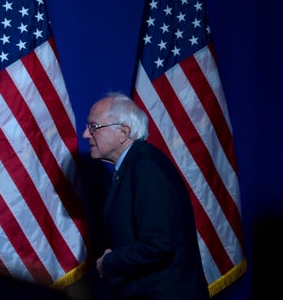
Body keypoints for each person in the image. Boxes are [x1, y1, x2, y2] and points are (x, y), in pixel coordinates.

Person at [83, 92, 208, 299]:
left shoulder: (146, 167)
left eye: (94, 127)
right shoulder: (132, 166)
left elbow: (157, 246)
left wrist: (109, 262)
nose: (86, 135)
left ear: (123, 132)